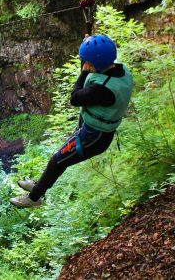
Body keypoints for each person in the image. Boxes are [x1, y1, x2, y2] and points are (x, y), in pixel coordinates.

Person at [10, 34, 133, 208]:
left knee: (58, 160)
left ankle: (34, 198)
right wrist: (90, 46)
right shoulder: (121, 71)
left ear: (92, 64)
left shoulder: (101, 90)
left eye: (85, 62)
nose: (84, 64)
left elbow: (75, 97)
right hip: (92, 129)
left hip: (94, 137)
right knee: (59, 158)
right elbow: (99, 62)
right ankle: (39, 184)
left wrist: (83, 71)